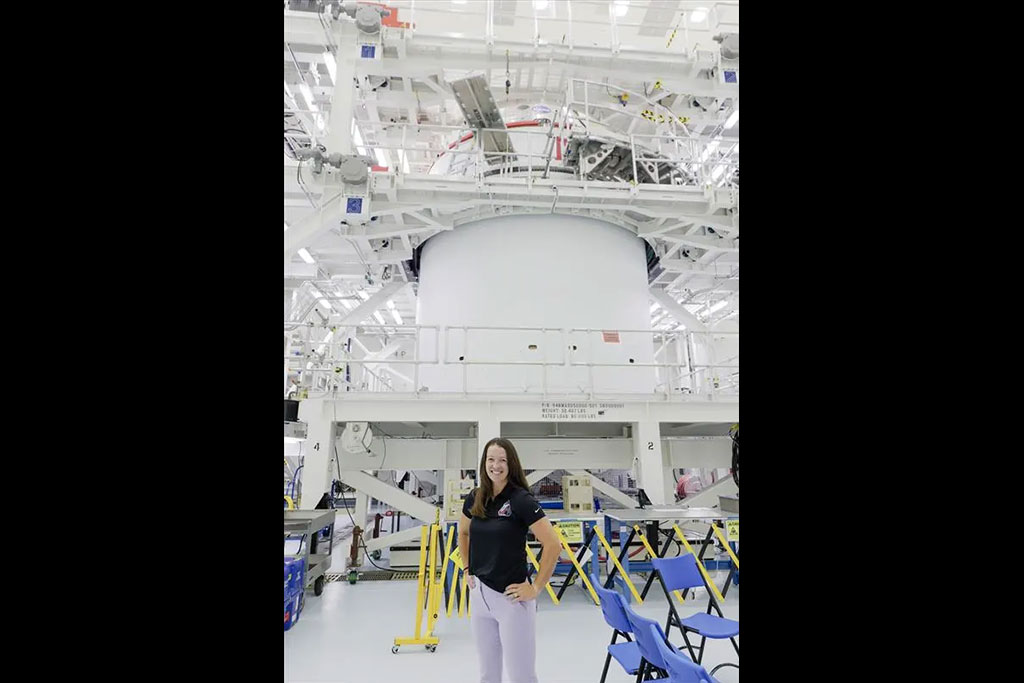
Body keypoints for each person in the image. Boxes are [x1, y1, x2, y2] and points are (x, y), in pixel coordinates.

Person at [458, 437, 562, 683]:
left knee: (522, 677)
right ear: (484, 463)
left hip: (511, 601)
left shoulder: (520, 500)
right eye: (491, 459)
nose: (496, 465)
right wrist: (466, 567)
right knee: (487, 675)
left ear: (511, 464)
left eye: (502, 460)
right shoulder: (475, 497)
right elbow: (463, 532)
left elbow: (553, 545)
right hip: (480, 595)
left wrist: (536, 587)